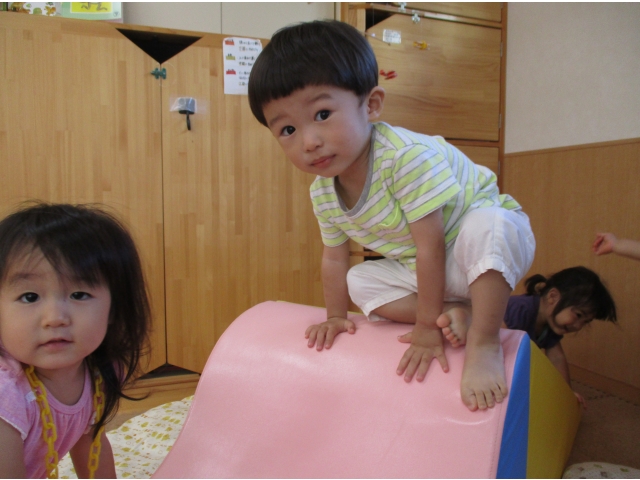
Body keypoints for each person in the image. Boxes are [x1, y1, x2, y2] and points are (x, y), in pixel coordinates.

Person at [248, 20, 535, 411]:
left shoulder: (403, 158)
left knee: (490, 224)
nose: (309, 142)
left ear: (371, 105)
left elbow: (431, 246)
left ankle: (484, 341)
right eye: (287, 130)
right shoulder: (323, 192)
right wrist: (335, 317)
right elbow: (335, 258)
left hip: (478, 253)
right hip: (430, 269)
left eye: (322, 114)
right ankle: (457, 313)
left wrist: (425, 330)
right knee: (360, 279)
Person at [0, 203, 151, 478]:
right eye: (30, 297)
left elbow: (90, 443)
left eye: (79, 294)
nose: (55, 318)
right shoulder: (6, 394)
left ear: (114, 308)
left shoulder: (97, 373)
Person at [431, 266, 617, 406]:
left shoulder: (550, 327)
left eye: (585, 322)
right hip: (487, 340)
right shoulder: (522, 308)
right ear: (553, 297)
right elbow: (500, 336)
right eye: (578, 315)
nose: (578, 325)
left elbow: (557, 358)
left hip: (503, 353)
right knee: (492, 337)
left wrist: (566, 394)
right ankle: (466, 319)